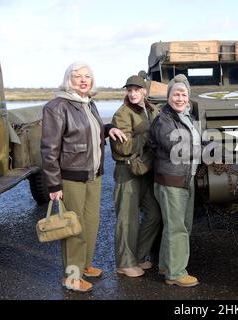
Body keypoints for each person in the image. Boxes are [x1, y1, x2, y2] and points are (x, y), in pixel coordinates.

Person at [41, 61, 127, 292]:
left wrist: (109, 128)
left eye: (87, 76)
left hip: (94, 175)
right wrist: (53, 184)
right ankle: (71, 276)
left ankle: (84, 265)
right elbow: (49, 150)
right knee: (74, 228)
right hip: (71, 177)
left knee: (91, 223)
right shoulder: (57, 106)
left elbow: (92, 129)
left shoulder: (89, 103)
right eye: (77, 76)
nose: (83, 80)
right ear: (69, 79)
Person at [150, 74, 201, 287]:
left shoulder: (186, 117)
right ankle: (176, 273)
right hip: (171, 180)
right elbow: (176, 148)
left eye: (183, 94)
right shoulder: (164, 119)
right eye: (175, 94)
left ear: (188, 97)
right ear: (168, 96)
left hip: (185, 178)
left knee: (181, 225)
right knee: (176, 228)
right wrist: (207, 150)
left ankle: (165, 265)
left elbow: (196, 140)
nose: (179, 98)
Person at [111, 75, 161, 277]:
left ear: (144, 91)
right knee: (126, 218)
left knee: (155, 214)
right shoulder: (122, 114)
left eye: (136, 90)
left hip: (146, 170)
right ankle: (124, 263)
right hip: (127, 171)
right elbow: (122, 146)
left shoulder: (152, 110)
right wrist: (148, 137)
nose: (132, 93)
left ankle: (138, 256)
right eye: (129, 90)